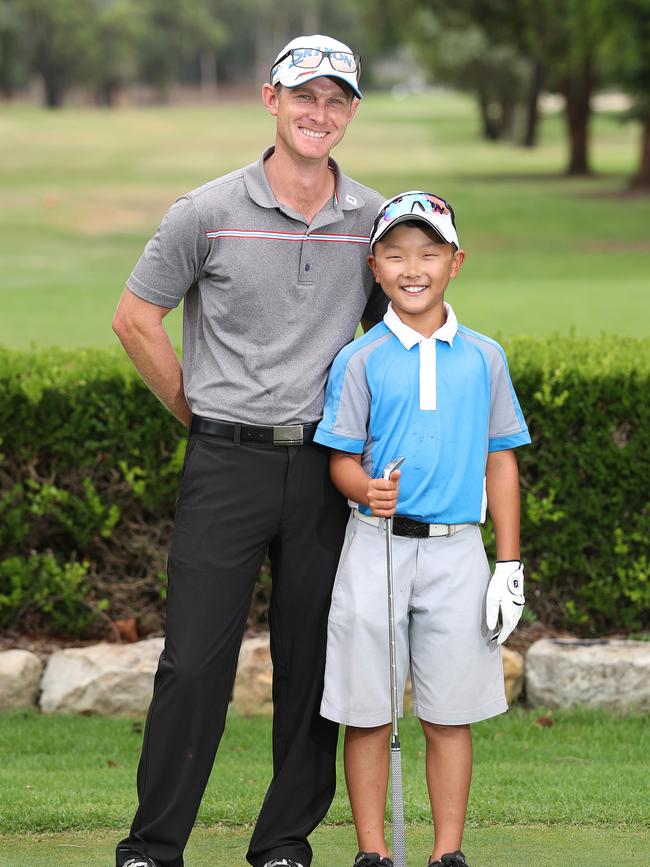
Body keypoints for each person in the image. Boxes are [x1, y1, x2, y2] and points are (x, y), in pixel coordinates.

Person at [111, 35, 388, 867]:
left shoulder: (374, 220)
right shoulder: (206, 209)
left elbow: (394, 332)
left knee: (312, 666)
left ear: (351, 113)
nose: (320, 113)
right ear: (271, 100)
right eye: (305, 96)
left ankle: (283, 842)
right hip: (225, 464)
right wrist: (198, 414)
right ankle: (153, 847)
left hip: (321, 471)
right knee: (192, 661)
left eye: (337, 99)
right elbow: (135, 317)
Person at [313, 191, 531, 867]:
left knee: (448, 711)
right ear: (374, 266)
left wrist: (509, 563)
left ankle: (446, 853)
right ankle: (374, 852)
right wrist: (365, 487)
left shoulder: (484, 357)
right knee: (369, 707)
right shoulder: (360, 359)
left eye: (430, 252)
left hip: (458, 550)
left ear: (455, 262)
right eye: (397, 253)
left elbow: (501, 461)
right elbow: (341, 460)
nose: (414, 267)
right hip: (374, 545)